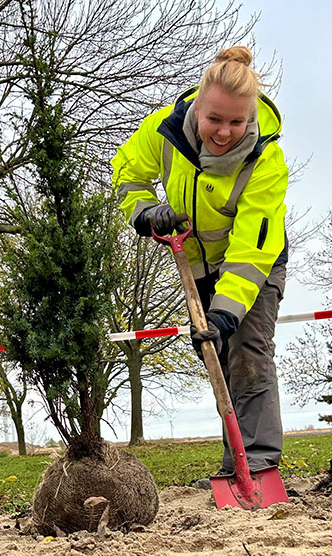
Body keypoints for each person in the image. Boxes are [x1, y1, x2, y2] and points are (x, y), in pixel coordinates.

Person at [111, 45, 289, 476]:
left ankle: (259, 463)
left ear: (250, 118)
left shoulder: (265, 160)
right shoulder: (164, 129)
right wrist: (146, 213)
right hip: (196, 266)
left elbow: (251, 250)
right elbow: (127, 175)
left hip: (255, 267)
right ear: (198, 106)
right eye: (215, 119)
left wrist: (226, 313)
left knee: (246, 347)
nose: (224, 131)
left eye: (236, 122)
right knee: (217, 355)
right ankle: (236, 461)